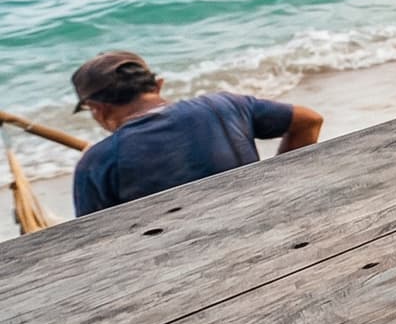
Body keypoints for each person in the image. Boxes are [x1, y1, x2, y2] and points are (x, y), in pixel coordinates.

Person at [70, 51, 322, 216]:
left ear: (97, 109)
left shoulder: (96, 163)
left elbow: (93, 241)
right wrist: (277, 183)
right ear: (158, 85)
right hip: (261, 221)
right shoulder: (226, 105)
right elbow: (309, 121)